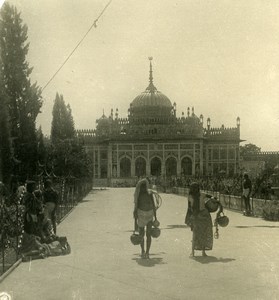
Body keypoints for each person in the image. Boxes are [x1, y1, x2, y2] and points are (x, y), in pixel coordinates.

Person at [188, 182, 213, 257]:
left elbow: (189, 209)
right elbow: (211, 197)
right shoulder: (201, 194)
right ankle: (201, 252)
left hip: (198, 216)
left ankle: (195, 252)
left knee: (196, 234)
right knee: (201, 233)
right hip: (201, 216)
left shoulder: (191, 196)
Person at [133, 178, 157, 259]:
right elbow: (153, 206)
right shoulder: (147, 194)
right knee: (146, 235)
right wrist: (156, 217)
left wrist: (156, 217)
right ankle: (145, 251)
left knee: (142, 234)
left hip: (144, 215)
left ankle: (145, 251)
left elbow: (136, 207)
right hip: (148, 214)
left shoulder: (139, 195)